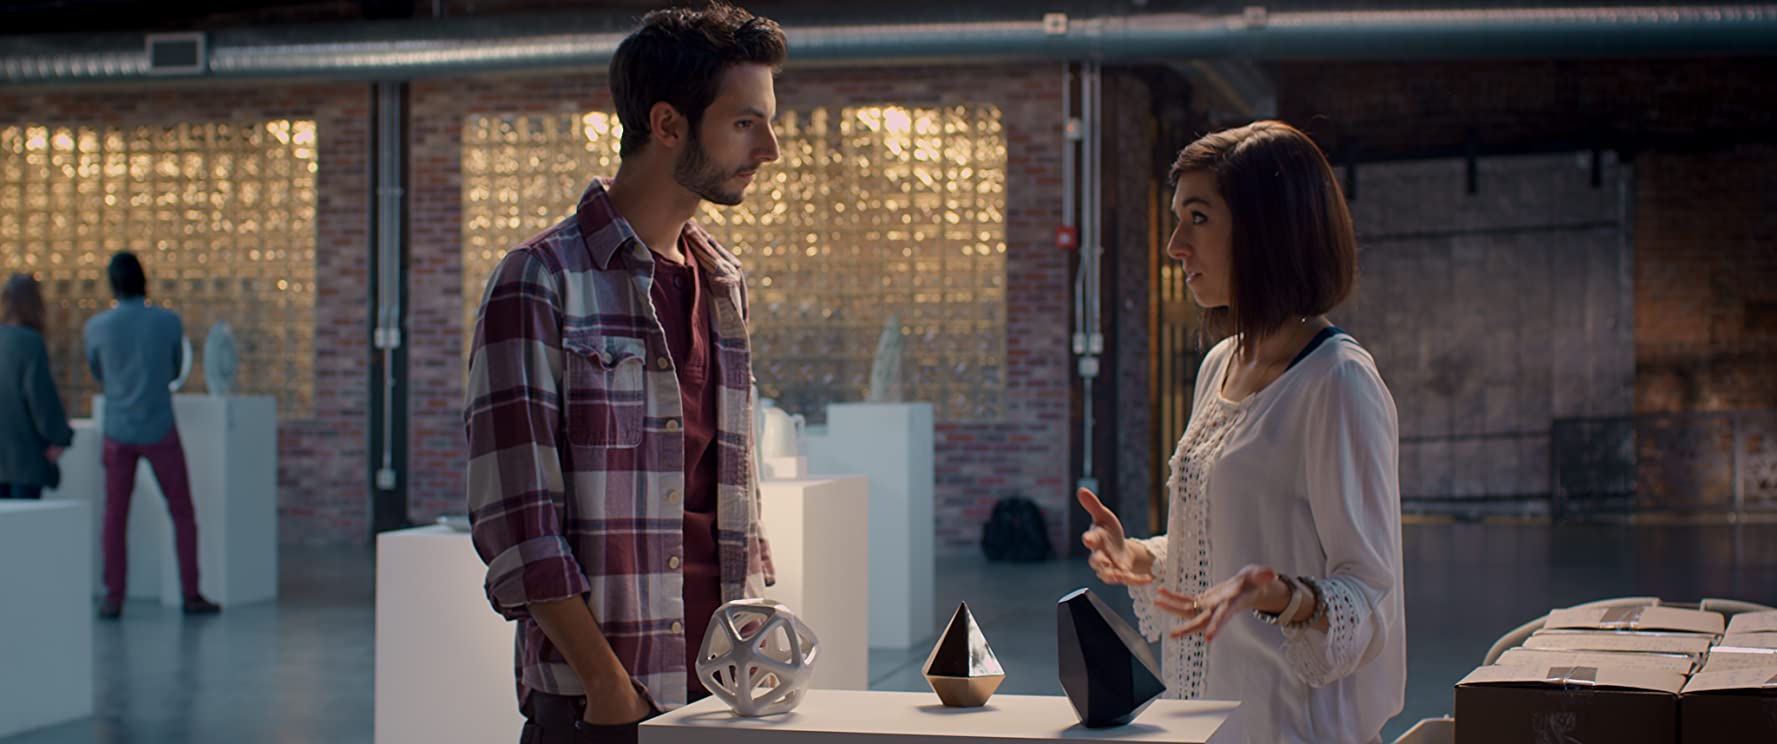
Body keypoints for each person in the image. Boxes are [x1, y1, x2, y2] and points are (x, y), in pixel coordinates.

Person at [463, 4, 783, 742]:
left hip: (724, 689)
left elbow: (731, 494)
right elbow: (516, 518)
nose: (769, 149)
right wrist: (607, 685)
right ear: (668, 125)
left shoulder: (723, 282)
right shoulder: (540, 278)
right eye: (745, 123)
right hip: (605, 703)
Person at [1077, 121, 1405, 743]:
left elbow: (1369, 597)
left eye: (1198, 218)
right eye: (1177, 219)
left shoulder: (1337, 381)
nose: (1175, 245)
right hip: (1205, 722)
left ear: (1267, 229)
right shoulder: (1220, 364)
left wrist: (1284, 596)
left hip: (1291, 730)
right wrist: (1142, 558)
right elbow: (1225, 547)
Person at [84, 252, 220, 618]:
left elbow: (98, 372)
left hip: (118, 429)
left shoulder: (97, 327)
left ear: (113, 284)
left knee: (115, 515)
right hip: (159, 427)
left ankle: (113, 596)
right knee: (181, 511)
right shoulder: (167, 322)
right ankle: (191, 593)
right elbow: (174, 370)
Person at [0, 273, 73, 500]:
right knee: (25, 522)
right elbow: (42, 400)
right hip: (24, 460)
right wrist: (60, 437)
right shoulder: (30, 343)